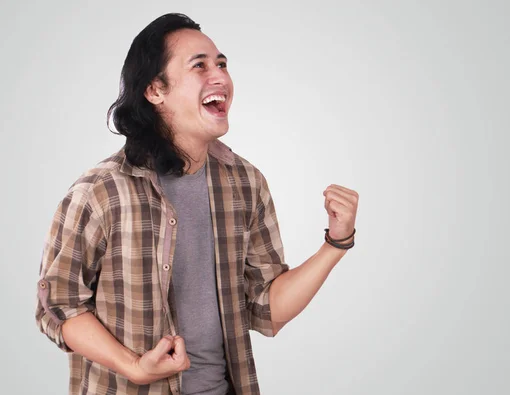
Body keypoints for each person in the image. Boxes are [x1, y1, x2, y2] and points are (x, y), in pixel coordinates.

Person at [35, 13, 359, 395]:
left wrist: (336, 243)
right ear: (155, 90)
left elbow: (266, 308)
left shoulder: (245, 183)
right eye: (200, 66)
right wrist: (134, 367)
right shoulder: (101, 191)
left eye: (221, 64)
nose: (219, 75)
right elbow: (58, 307)